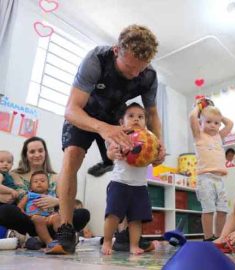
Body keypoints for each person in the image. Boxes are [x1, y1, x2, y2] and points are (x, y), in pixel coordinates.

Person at [50, 24, 165, 255]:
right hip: (84, 114)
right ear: (116, 51)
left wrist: (158, 146)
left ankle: (123, 235)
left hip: (116, 117)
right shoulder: (96, 59)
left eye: (139, 69)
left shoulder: (149, 75)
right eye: (130, 67)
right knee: (72, 157)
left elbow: (151, 114)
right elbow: (71, 109)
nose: (135, 74)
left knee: (124, 166)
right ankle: (65, 230)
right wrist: (103, 129)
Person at [0, 137, 90, 247]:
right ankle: (48, 238)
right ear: (26, 155)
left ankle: (42, 239)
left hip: (52, 220)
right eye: (32, 151)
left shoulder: (56, 177)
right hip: (28, 221)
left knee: (82, 213)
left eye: (40, 150)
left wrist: (56, 201)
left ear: (45, 153)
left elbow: (66, 201)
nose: (37, 154)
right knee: (4, 210)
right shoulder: (13, 175)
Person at [102, 102, 156, 255]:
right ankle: (107, 241)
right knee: (113, 214)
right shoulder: (119, 136)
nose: (136, 119)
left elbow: (154, 155)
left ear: (145, 121)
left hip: (139, 185)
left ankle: (134, 245)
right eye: (131, 116)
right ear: (121, 122)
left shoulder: (149, 139)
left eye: (140, 117)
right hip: (120, 182)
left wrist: (158, 155)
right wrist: (114, 153)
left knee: (136, 218)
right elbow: (109, 153)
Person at [189, 104, 233, 241]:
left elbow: (230, 123)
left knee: (223, 209)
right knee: (208, 209)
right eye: (208, 122)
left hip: (219, 180)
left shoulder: (219, 136)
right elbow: (192, 117)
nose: (213, 125)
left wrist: (218, 116)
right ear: (201, 122)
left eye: (216, 123)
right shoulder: (199, 135)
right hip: (205, 178)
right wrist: (199, 107)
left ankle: (219, 237)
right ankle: (208, 237)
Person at [17, 171, 60, 248]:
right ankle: (49, 242)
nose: (39, 183)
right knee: (38, 219)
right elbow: (19, 207)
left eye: (42, 181)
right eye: (35, 181)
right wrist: (24, 214)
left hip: (49, 217)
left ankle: (61, 239)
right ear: (31, 186)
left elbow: (59, 205)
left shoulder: (51, 194)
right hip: (34, 217)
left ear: (48, 185)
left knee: (57, 217)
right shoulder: (29, 195)